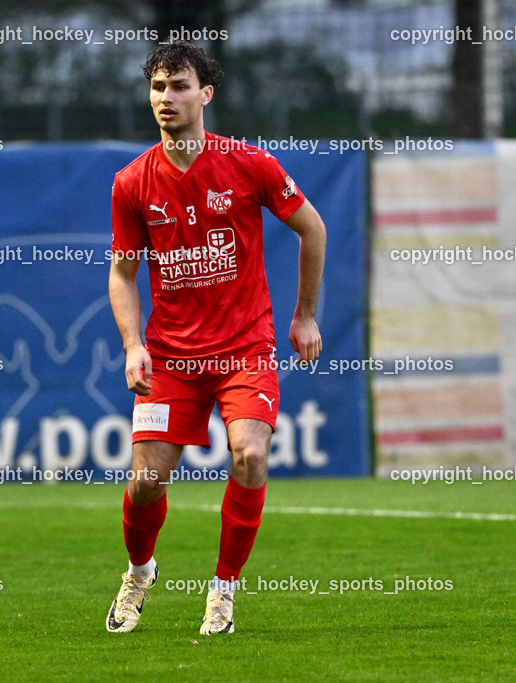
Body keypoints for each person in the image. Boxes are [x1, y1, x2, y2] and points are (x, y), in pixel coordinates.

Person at [106, 40, 326, 635]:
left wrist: (305, 316)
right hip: (171, 357)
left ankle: (223, 589)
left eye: (179, 86)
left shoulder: (250, 164)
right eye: (158, 87)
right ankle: (139, 571)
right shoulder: (132, 183)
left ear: (205, 94)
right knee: (145, 482)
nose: (166, 97)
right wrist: (133, 344)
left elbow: (312, 229)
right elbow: (122, 274)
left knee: (250, 454)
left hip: (244, 349)